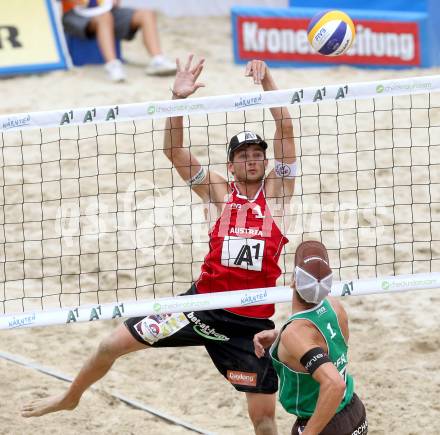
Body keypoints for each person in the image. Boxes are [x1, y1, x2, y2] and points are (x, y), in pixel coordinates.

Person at [21, 55, 296, 435]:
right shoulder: (218, 191)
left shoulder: (278, 194)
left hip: (248, 327)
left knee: (264, 421)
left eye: (257, 154)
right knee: (109, 344)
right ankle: (71, 397)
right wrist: (177, 99)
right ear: (230, 166)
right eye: (242, 156)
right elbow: (174, 152)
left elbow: (285, 128)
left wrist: (268, 83)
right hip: (198, 307)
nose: (252, 160)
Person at [254, 241, 368, 435]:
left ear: (292, 281)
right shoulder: (334, 306)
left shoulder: (295, 333)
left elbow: (334, 384)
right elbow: (325, 346)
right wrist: (279, 339)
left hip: (325, 424)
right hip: (355, 412)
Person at [61, 0, 176, 82]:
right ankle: (112, 65)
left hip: (107, 11)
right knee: (105, 17)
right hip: (76, 14)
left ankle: (158, 60)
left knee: (147, 14)